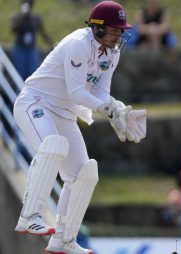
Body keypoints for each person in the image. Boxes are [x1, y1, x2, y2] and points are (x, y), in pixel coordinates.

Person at [13, 1, 146, 254]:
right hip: (35, 102)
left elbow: (100, 92)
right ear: (97, 28)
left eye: (121, 30)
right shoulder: (77, 44)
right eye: (114, 30)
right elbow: (76, 91)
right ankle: (30, 216)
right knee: (54, 146)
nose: (119, 35)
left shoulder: (112, 53)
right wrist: (106, 109)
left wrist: (118, 110)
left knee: (84, 173)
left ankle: (64, 240)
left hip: (65, 112)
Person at [10, 0, 53, 80]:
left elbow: (43, 33)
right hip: (20, 49)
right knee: (20, 73)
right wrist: (22, 16)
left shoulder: (36, 18)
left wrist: (52, 44)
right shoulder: (16, 17)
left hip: (31, 49)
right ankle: (18, 91)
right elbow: (13, 29)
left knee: (32, 73)